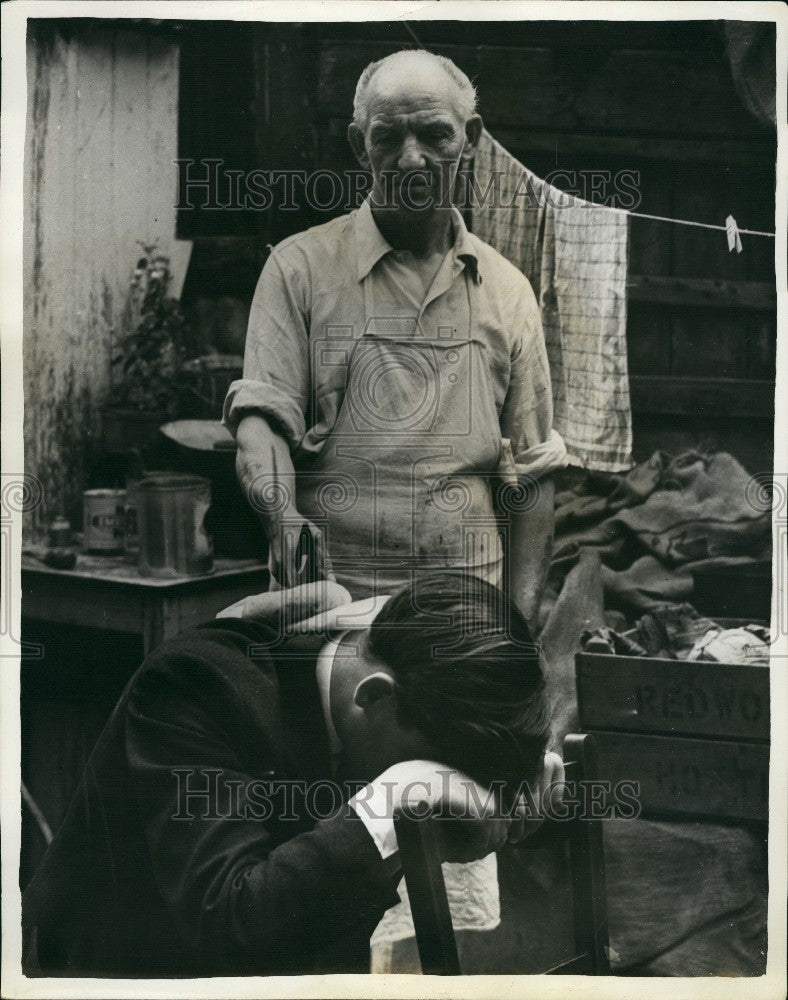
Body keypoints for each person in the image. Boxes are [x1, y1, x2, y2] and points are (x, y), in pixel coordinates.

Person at [22, 573, 562, 977]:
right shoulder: (195, 684)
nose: (441, 787)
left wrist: (483, 804)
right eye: (434, 771)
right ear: (375, 697)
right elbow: (230, 922)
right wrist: (396, 795)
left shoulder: (392, 704)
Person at [223, 49, 567, 623]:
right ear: (360, 146)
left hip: (465, 613)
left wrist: (518, 625)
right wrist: (283, 520)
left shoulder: (508, 290)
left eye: (435, 134)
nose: (411, 158)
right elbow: (260, 425)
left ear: (469, 139)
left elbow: (534, 475)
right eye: (388, 137)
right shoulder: (298, 270)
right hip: (332, 605)